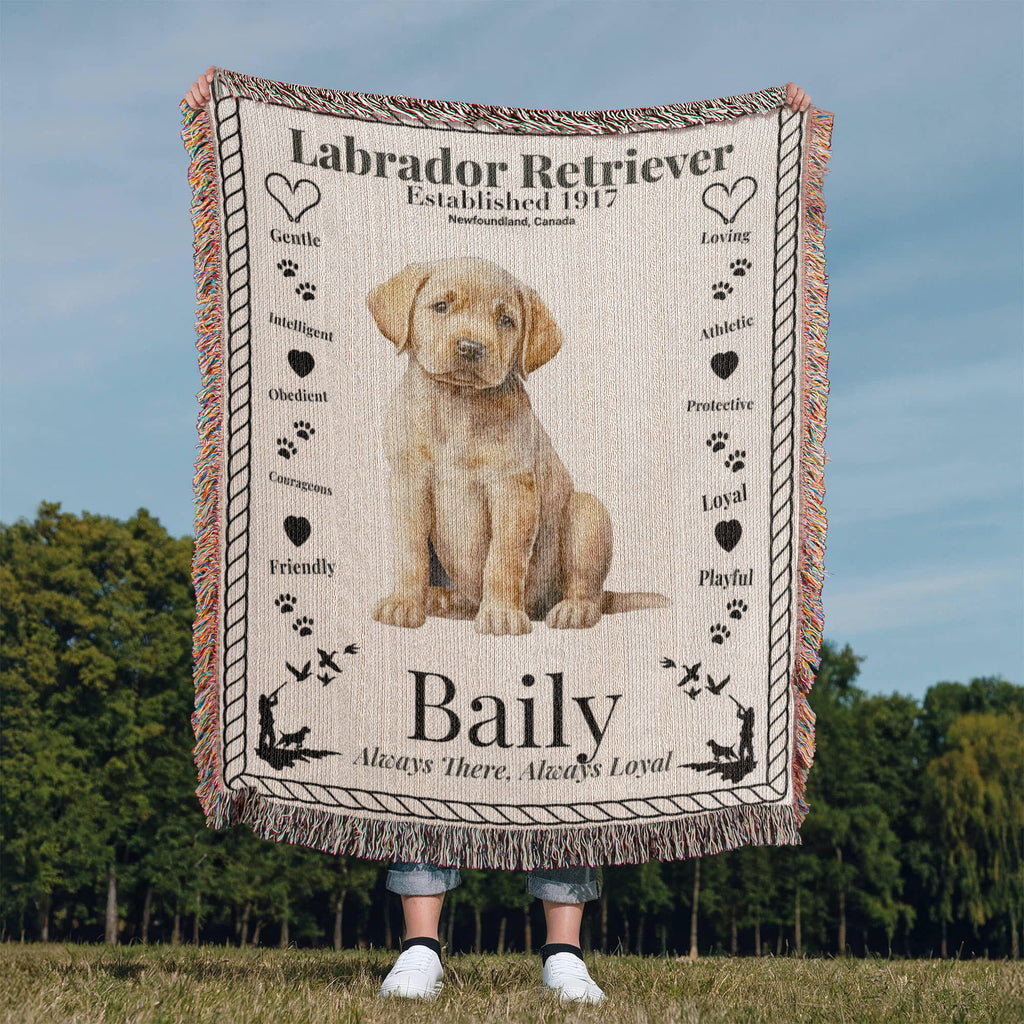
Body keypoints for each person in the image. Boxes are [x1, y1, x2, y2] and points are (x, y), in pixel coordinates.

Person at [183, 67, 811, 1003]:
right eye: (445, 312)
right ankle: (422, 944)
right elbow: (411, 501)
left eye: (497, 321)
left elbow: (527, 510)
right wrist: (417, 582)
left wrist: (533, 594)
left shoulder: (513, 409)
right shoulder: (407, 409)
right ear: (405, 317)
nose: (471, 335)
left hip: (539, 583)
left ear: (525, 342)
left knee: (558, 755)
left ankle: (564, 952)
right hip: (450, 597)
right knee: (417, 751)